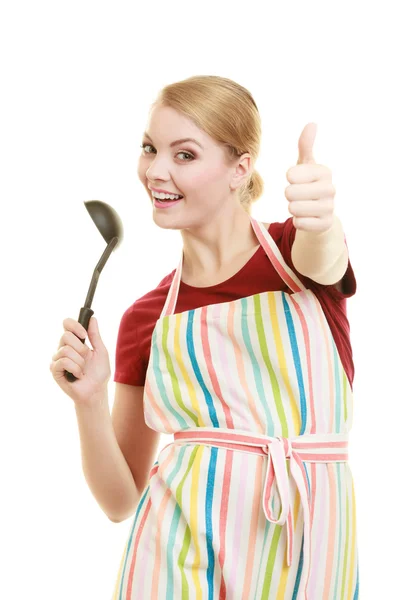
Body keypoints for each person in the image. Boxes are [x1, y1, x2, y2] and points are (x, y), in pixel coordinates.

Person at [50, 75, 359, 599]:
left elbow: (323, 255)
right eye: (150, 148)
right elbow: (121, 499)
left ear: (241, 169)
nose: (156, 171)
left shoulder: (294, 255)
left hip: (309, 543)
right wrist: (88, 401)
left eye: (184, 154)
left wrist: (322, 221)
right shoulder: (147, 317)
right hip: (174, 555)